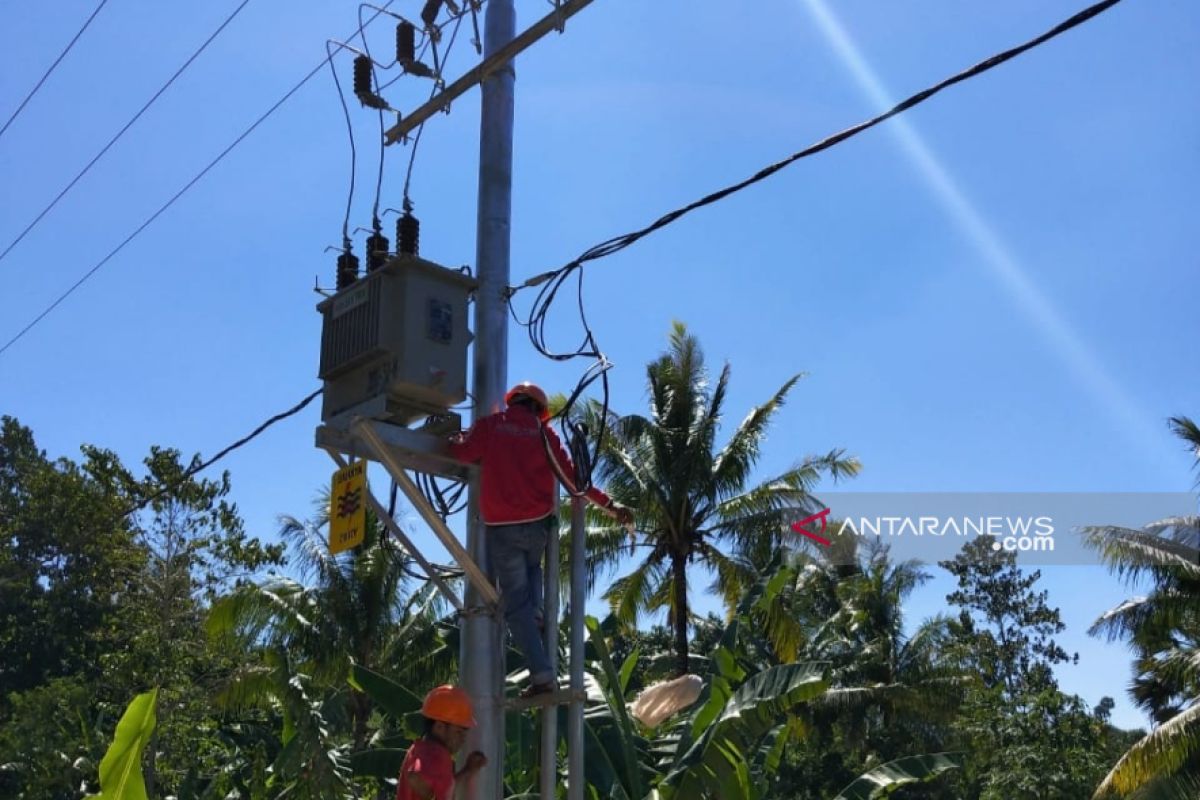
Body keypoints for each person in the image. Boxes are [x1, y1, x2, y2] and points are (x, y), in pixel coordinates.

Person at [448, 381, 634, 696]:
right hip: (537, 530)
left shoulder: (492, 425)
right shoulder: (544, 435)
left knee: (516, 605)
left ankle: (543, 675)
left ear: (512, 402)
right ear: (539, 410)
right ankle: (537, 615)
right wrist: (611, 507)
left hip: (503, 528)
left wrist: (454, 439)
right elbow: (575, 480)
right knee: (532, 576)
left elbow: (464, 454)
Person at [396, 685, 487, 800]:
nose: (463, 739)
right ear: (439, 727)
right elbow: (414, 776)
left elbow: (443, 788)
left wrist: (467, 770)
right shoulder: (436, 752)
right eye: (458, 732)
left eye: (464, 733)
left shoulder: (420, 748)